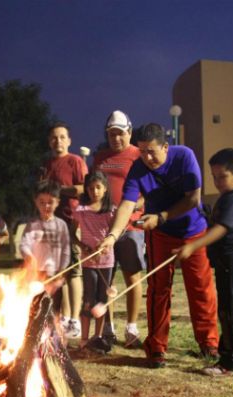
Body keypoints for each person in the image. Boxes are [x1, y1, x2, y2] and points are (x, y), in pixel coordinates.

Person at [98, 123, 219, 369]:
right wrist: (111, 236)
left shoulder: (184, 156)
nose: (147, 158)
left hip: (193, 232)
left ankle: (209, 343)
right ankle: (156, 347)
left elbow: (194, 198)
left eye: (152, 151)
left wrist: (162, 216)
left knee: (201, 289)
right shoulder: (138, 168)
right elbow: (126, 205)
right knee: (158, 290)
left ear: (165, 146)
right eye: (142, 151)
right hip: (160, 235)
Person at [173, 148, 233, 376]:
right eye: (213, 177)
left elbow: (222, 229)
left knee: (230, 311)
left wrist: (193, 246)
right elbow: (216, 222)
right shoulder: (227, 197)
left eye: (222, 176)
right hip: (226, 261)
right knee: (231, 309)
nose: (217, 182)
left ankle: (232, 363)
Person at [91, 110, 146, 348]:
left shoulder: (138, 155)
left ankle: (132, 327)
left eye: (120, 134)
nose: (116, 139)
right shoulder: (100, 158)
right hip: (105, 228)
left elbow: (147, 191)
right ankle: (108, 328)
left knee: (132, 276)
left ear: (129, 133)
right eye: (112, 134)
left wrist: (133, 209)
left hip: (131, 225)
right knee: (106, 280)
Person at [41, 123, 88, 337]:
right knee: (56, 273)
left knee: (73, 271)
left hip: (71, 222)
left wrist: (60, 191)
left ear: (69, 140)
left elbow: (84, 188)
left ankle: (74, 320)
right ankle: (57, 318)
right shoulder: (46, 164)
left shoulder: (75, 161)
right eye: (54, 137)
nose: (57, 141)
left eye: (62, 137)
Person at [71, 172, 115, 354]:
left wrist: (104, 246)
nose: (94, 191)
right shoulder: (80, 211)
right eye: (91, 188)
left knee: (102, 301)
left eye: (98, 187)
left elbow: (114, 234)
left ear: (105, 189)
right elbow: (72, 234)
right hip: (88, 262)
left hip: (106, 261)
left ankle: (97, 338)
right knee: (88, 300)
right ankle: (84, 339)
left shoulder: (111, 211)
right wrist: (84, 247)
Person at [19, 180, 71, 313]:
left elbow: (66, 249)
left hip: (55, 272)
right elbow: (24, 244)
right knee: (35, 305)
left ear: (57, 202)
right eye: (41, 202)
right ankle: (34, 332)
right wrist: (29, 257)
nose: (46, 206)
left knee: (54, 305)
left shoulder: (61, 225)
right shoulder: (32, 225)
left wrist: (63, 269)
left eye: (50, 202)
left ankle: (53, 331)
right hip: (36, 273)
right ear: (36, 202)